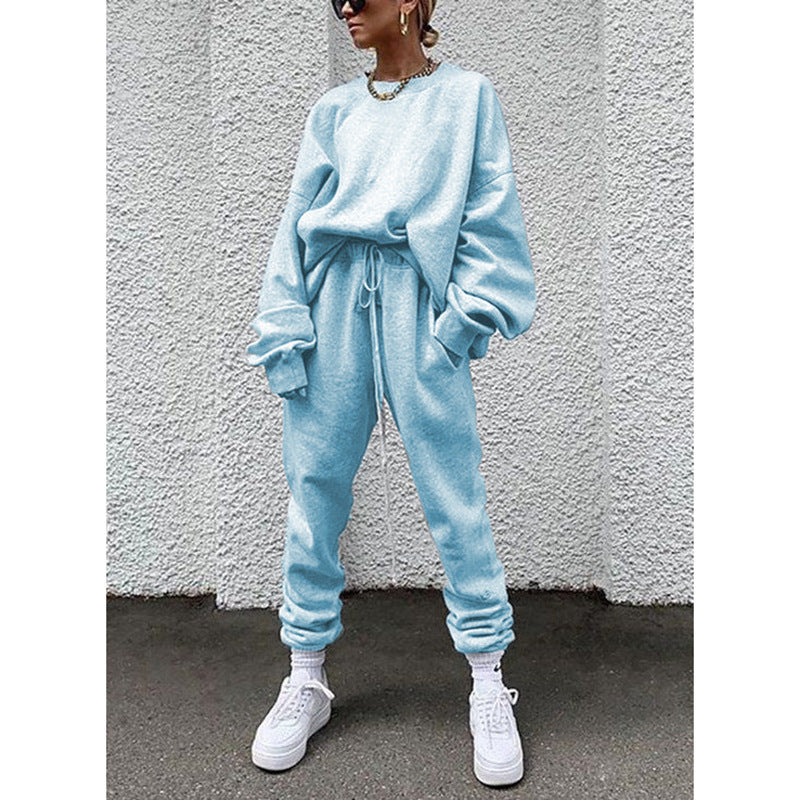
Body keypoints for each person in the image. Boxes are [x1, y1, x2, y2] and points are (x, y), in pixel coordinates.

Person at [244, 0, 536, 787]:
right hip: (333, 301)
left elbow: (491, 212)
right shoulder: (334, 111)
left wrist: (459, 324)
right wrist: (285, 327)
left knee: (454, 492)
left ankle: (487, 680)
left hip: (418, 306)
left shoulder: (467, 97)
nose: (345, 7)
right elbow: (295, 223)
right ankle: (305, 677)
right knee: (315, 489)